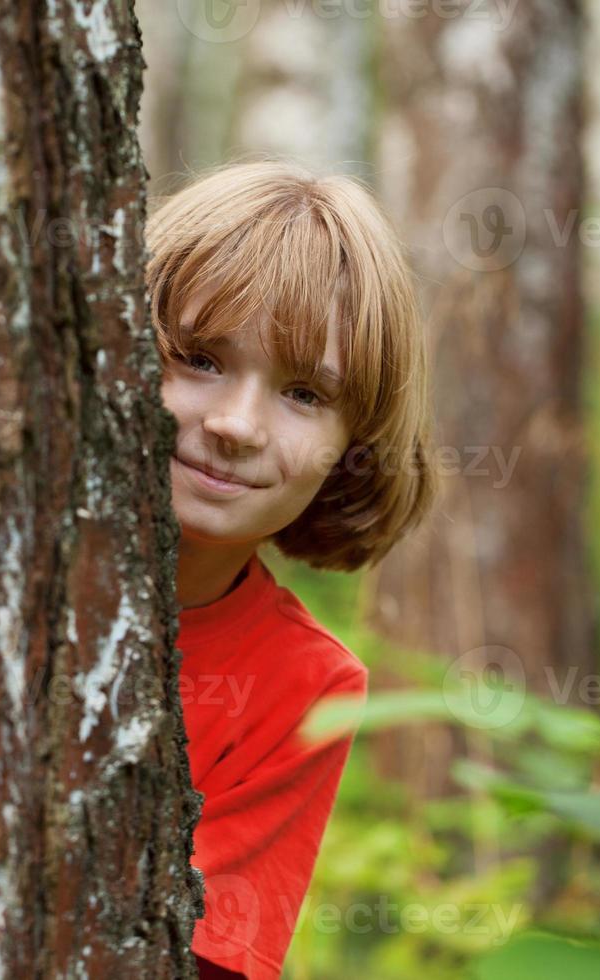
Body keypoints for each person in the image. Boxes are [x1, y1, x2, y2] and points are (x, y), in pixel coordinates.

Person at [145, 159, 439, 978]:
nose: (236, 425)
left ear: (352, 451)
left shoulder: (304, 686)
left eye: (304, 393)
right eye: (200, 359)